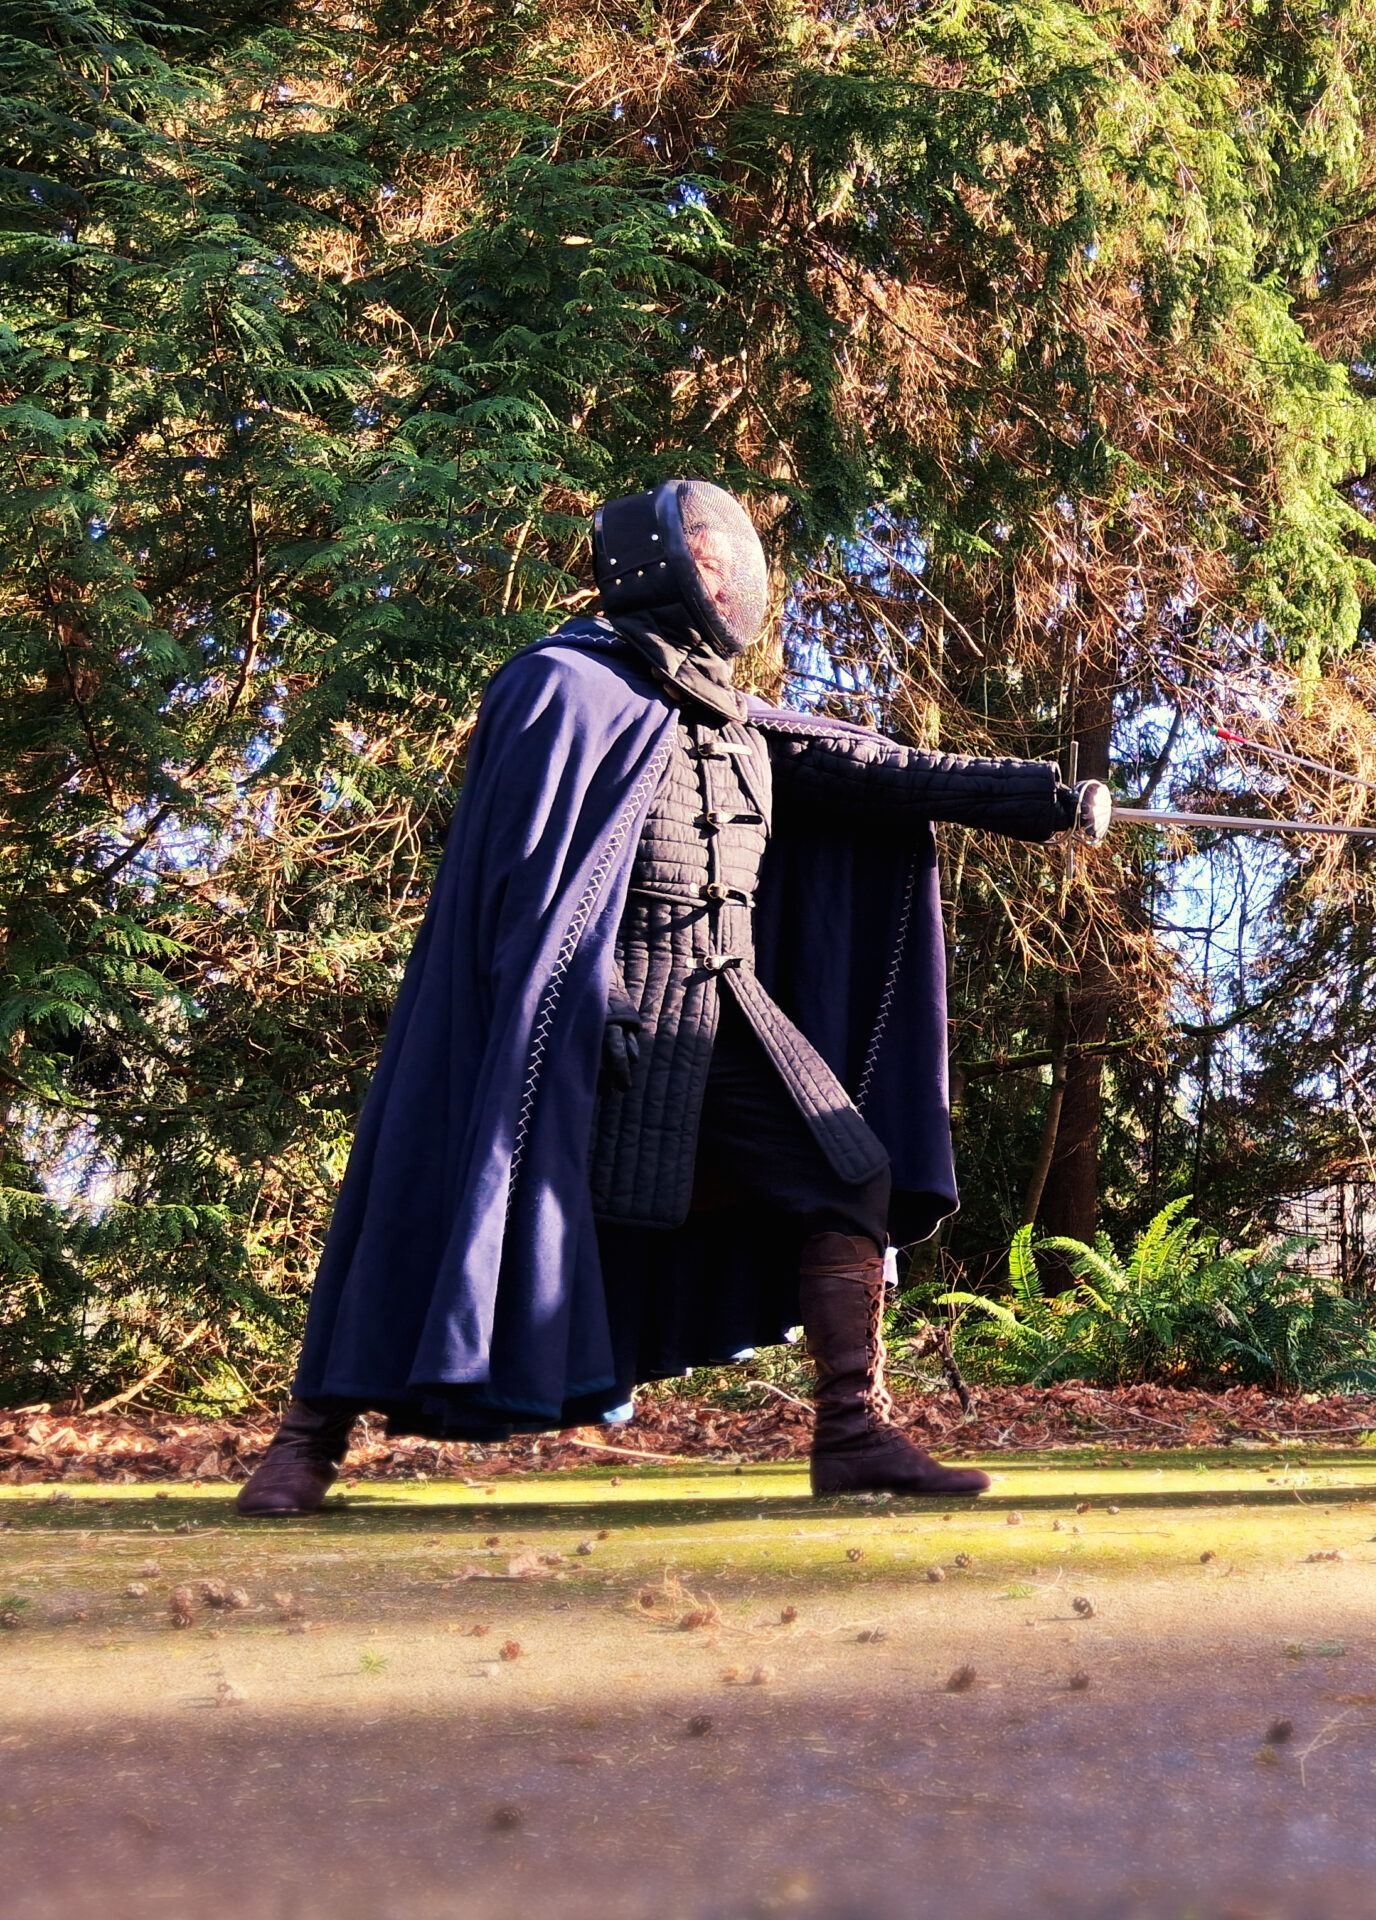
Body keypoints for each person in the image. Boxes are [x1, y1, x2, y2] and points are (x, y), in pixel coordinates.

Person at [238, 480, 1109, 1514]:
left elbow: (877, 776)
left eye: (720, 557)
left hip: (726, 1004)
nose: (718, 573)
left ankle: (851, 1433)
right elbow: (524, 883)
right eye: (697, 555)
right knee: (447, 1193)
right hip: (585, 1011)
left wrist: (1046, 800)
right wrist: (559, 1014)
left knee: (848, 1174)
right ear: (649, 563)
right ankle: (304, 1445)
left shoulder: (739, 724)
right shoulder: (562, 687)